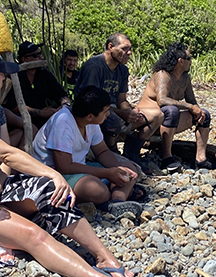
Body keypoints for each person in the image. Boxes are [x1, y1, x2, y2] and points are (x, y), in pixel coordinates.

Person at [0, 45, 153, 277]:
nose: (5, 79)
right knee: (34, 234)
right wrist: (52, 173)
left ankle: (107, 259)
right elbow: (6, 154)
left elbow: (3, 163)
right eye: (2, 74)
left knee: (53, 195)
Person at [32, 86, 147, 218]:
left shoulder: (91, 123)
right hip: (55, 174)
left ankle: (117, 202)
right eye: (105, 111)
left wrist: (118, 169)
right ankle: (114, 196)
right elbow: (64, 167)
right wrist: (108, 173)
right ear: (90, 116)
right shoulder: (63, 122)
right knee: (96, 190)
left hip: (79, 168)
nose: (108, 114)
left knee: (129, 168)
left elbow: (102, 151)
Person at [74, 33, 161, 171]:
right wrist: (121, 113)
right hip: (95, 112)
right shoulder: (95, 66)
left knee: (157, 116)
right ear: (111, 47)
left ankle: (132, 152)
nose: (129, 53)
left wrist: (129, 111)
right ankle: (111, 149)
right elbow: (90, 102)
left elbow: (121, 99)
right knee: (112, 120)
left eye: (130, 49)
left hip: (114, 110)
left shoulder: (123, 70)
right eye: (125, 49)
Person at [136, 42, 216, 173]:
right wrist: (190, 107)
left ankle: (201, 158)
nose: (191, 62)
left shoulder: (185, 77)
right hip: (149, 121)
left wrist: (198, 111)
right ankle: (166, 157)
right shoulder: (163, 75)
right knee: (171, 110)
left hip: (168, 121)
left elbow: (191, 100)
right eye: (189, 59)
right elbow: (162, 100)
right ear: (180, 61)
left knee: (205, 114)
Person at [3, 41, 71, 128]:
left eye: (40, 54)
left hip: (42, 121)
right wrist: (40, 113)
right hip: (19, 121)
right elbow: (12, 105)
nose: (41, 57)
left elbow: (60, 94)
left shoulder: (44, 74)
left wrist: (65, 106)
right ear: (25, 59)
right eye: (36, 56)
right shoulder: (14, 77)